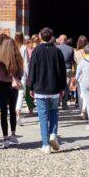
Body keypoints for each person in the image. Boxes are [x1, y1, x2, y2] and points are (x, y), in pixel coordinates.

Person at [27, 26, 66, 154]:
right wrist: (63, 87)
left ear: (39, 36)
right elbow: (62, 71)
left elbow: (32, 70)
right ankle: (53, 134)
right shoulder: (57, 51)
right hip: (54, 88)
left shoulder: (36, 51)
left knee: (43, 117)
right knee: (54, 112)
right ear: (52, 36)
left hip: (40, 88)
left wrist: (31, 86)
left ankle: (45, 144)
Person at [0, 37, 23, 148]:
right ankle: (13, 134)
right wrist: (16, 76)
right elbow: (21, 72)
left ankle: (5, 138)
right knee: (12, 110)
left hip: (2, 85)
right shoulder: (18, 57)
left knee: (3, 112)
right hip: (13, 86)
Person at [14, 32, 30, 121]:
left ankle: (15, 110)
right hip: (22, 72)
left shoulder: (12, 46)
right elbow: (26, 63)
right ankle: (18, 112)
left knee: (14, 92)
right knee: (21, 93)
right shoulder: (24, 48)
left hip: (13, 72)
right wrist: (27, 76)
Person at [57, 34, 75, 107]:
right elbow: (72, 60)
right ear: (66, 40)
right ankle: (64, 104)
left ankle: (57, 102)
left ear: (60, 40)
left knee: (58, 85)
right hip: (68, 69)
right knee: (66, 86)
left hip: (59, 69)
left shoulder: (56, 48)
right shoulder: (71, 49)